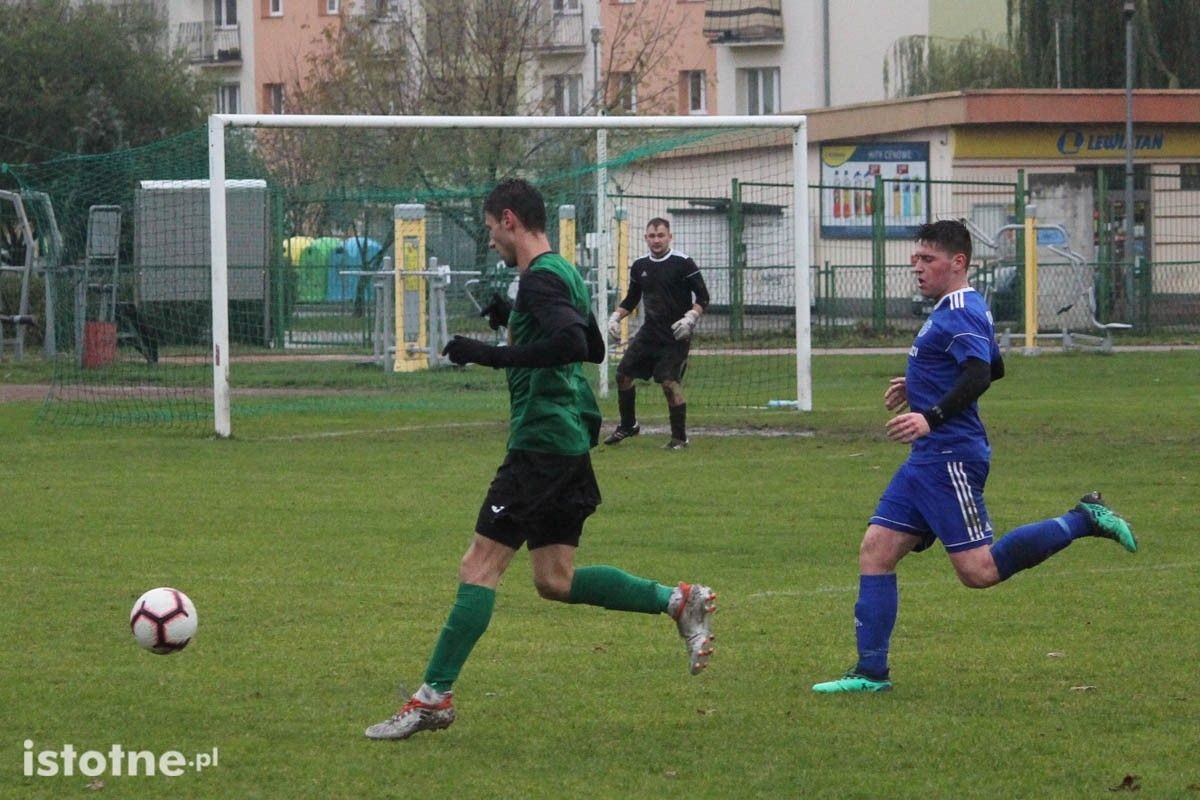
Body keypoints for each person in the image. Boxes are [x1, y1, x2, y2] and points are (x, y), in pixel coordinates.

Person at [366, 179, 717, 740]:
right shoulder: (563, 272)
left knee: (478, 567)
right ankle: (678, 602)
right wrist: (513, 316)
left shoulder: (538, 279)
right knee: (554, 578)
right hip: (569, 434)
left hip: (542, 439)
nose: (491, 243)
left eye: (489, 231)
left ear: (509, 219)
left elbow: (575, 346)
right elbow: (595, 345)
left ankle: (433, 697)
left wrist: (491, 354)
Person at [812, 219, 1137, 694]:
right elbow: (993, 364)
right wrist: (921, 385)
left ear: (957, 262)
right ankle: (870, 673)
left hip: (950, 456)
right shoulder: (959, 307)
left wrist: (932, 413)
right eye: (915, 260)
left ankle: (1084, 517)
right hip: (927, 458)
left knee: (979, 572)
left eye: (928, 260)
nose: (917, 269)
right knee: (876, 551)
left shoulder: (961, 308)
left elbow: (982, 374)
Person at [604, 217, 709, 450]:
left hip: (676, 334)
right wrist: (616, 317)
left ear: (670, 237)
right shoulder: (640, 265)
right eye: (652, 236)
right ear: (646, 238)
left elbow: (703, 297)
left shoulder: (684, 263)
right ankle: (628, 425)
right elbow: (632, 299)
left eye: (661, 235)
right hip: (649, 332)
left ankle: (680, 438)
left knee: (669, 383)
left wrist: (690, 318)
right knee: (622, 375)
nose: (656, 240)